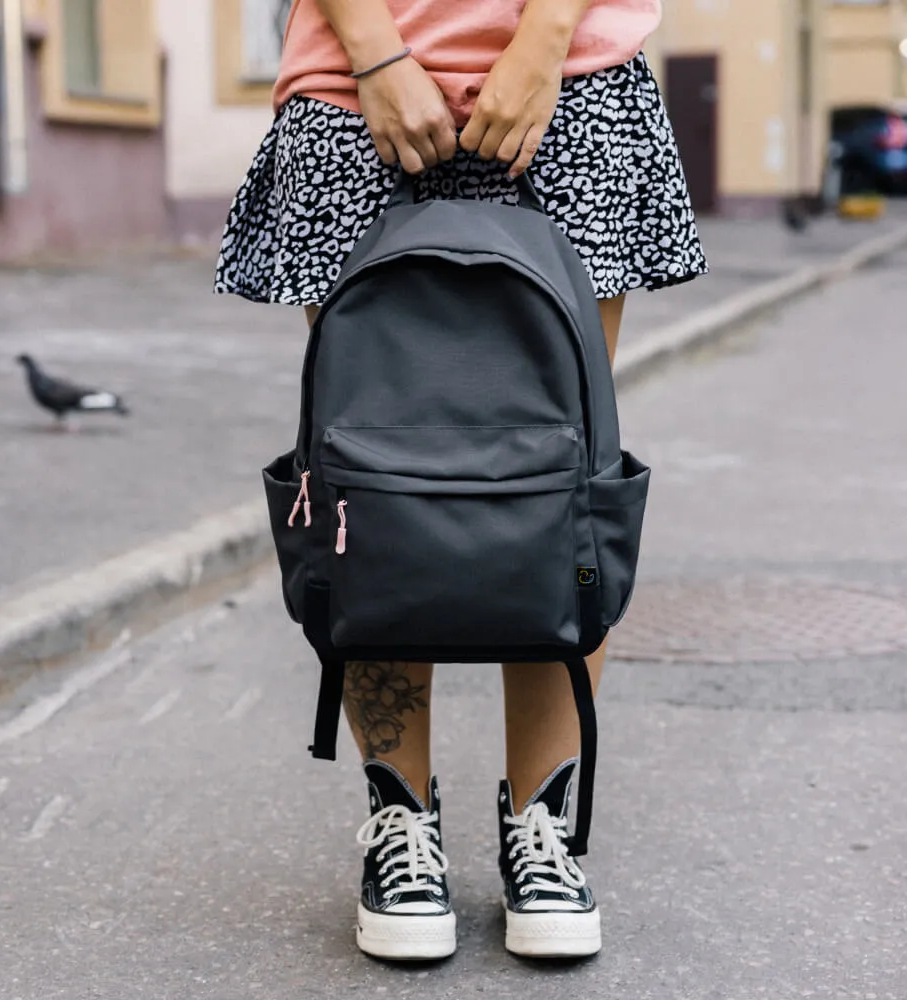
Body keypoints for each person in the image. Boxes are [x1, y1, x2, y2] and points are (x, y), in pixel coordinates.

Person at [216, 0, 706, 962]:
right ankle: (400, 821)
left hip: (572, 86)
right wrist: (376, 56)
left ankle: (542, 829)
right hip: (353, 93)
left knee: (557, 486)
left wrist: (546, 39)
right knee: (374, 495)